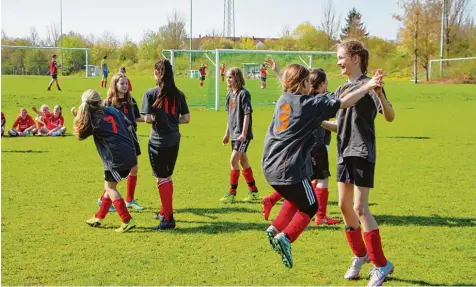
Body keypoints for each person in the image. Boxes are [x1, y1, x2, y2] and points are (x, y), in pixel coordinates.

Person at [261, 63, 384, 269]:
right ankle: (286, 238)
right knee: (311, 206)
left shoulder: (284, 99)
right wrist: (368, 86)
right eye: (308, 79)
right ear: (302, 83)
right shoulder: (309, 104)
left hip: (269, 163)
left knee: (297, 196)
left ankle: (275, 229)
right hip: (287, 166)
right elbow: (344, 103)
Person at [321, 40, 395, 286]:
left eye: (341, 57)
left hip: (362, 152)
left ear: (354, 57)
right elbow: (338, 124)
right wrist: (316, 122)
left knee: (360, 208)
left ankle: (381, 265)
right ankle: (360, 255)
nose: (338, 62)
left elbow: (390, 116)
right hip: (343, 152)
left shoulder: (370, 84)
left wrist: (378, 92)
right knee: (344, 207)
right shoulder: (342, 88)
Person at [261, 65, 341, 226]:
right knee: (320, 180)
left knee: (302, 184)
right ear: (321, 84)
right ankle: (320, 216)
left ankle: (273, 203)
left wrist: (278, 71)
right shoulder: (316, 102)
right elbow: (339, 107)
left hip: (297, 152)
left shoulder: (293, 97)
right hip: (316, 146)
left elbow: (289, 86)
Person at [73, 89, 137, 233]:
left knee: (110, 188)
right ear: (99, 100)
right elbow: (127, 125)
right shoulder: (111, 110)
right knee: (108, 186)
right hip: (129, 152)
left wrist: (78, 117)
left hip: (114, 158)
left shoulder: (93, 119)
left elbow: (80, 136)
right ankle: (98, 217)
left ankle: (127, 220)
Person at [141, 59, 190, 230]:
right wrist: (171, 120)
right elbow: (187, 118)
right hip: (174, 140)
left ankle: (168, 218)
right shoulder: (179, 94)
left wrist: (157, 118)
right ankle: (164, 211)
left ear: (156, 73)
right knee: (167, 177)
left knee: (161, 178)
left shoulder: (150, 93)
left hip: (158, 141)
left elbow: (147, 119)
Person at [103, 73, 144, 210]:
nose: (125, 86)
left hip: (131, 137)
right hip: (116, 141)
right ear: (115, 85)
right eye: (122, 83)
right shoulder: (108, 103)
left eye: (126, 83)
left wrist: (153, 118)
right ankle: (105, 198)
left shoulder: (131, 102)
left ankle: (129, 200)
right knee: (118, 170)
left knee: (134, 168)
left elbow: (137, 118)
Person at [219, 67, 259, 203]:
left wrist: (243, 134)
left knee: (233, 161)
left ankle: (232, 193)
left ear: (237, 78)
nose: (228, 80)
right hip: (234, 134)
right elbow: (230, 117)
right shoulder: (229, 95)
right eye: (227, 77)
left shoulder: (244, 94)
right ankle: (253, 191)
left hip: (243, 136)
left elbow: (248, 114)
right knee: (243, 161)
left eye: (230, 77)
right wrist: (227, 134)